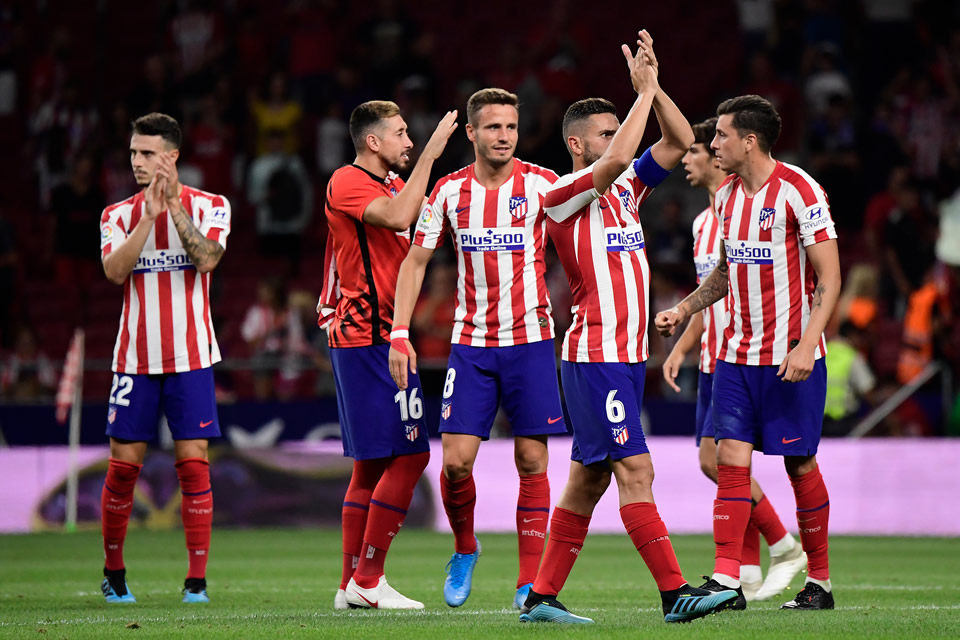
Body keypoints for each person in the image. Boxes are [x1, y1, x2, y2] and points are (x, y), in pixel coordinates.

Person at [518, 32, 738, 625]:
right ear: (574, 144)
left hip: (618, 355)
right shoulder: (560, 194)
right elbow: (617, 157)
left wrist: (655, 85)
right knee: (636, 472)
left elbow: (679, 139)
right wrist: (639, 93)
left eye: (619, 128)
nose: (616, 140)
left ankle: (540, 599)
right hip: (594, 353)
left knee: (587, 482)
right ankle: (675, 595)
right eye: (603, 132)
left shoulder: (626, 194)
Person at [655, 94, 842, 611]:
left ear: (749, 141)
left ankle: (820, 583)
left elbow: (829, 275)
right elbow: (723, 272)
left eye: (720, 135)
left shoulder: (800, 191)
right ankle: (726, 579)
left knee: (799, 464)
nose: (713, 144)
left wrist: (807, 345)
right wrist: (685, 308)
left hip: (788, 358)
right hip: (735, 355)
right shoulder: (727, 199)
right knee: (728, 459)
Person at [388, 88, 567, 610]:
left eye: (511, 127)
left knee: (533, 460)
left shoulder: (543, 184)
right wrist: (400, 333)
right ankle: (465, 548)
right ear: (471, 133)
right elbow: (416, 262)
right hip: (471, 345)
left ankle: (529, 582)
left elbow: (577, 244)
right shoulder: (447, 192)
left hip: (531, 343)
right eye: (493, 127)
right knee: (456, 465)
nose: (504, 136)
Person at [326, 100, 458, 610]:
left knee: (371, 465)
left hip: (381, 335)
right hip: (367, 337)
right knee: (412, 454)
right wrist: (431, 155)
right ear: (373, 142)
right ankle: (369, 577)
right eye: (401, 134)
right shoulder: (347, 180)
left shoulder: (392, 185)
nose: (409, 141)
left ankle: (349, 586)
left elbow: (421, 227)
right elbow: (402, 217)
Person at [98, 112, 232, 604]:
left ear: (171, 157)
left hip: (192, 357)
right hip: (134, 358)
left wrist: (173, 206)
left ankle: (196, 580)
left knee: (193, 465)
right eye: (133, 152)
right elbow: (114, 272)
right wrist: (148, 218)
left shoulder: (213, 205)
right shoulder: (117, 214)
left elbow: (208, 259)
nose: (137, 161)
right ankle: (114, 573)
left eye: (147, 153)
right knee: (123, 468)